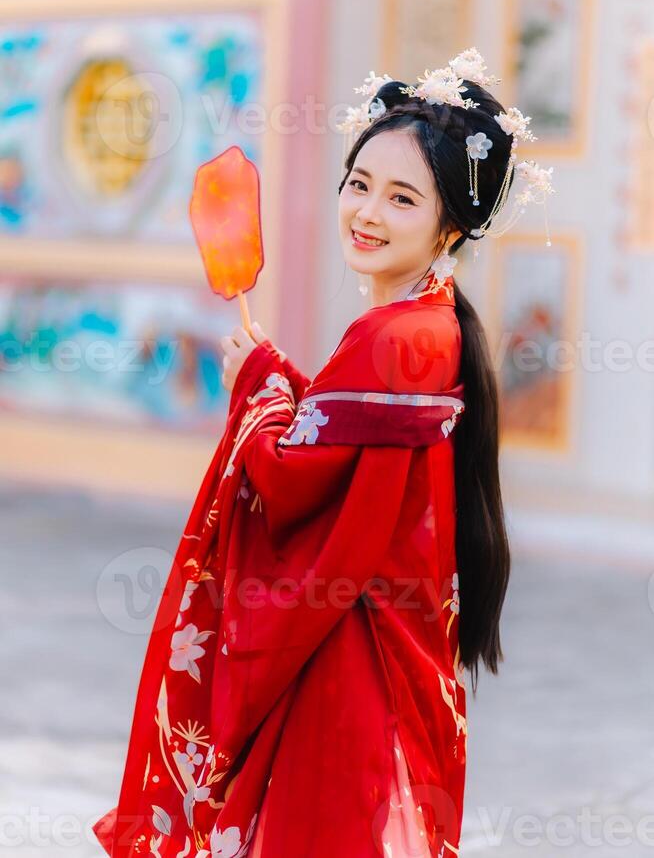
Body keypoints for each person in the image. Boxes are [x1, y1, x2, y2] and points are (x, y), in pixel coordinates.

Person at [92, 49, 553, 857]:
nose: (367, 211)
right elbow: (346, 449)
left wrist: (261, 389)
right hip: (379, 643)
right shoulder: (429, 325)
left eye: (401, 197)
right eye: (359, 183)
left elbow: (292, 476)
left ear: (450, 224)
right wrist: (279, 380)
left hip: (346, 657)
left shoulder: (393, 338)